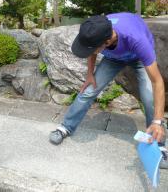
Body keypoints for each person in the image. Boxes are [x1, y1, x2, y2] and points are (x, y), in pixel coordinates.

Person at [49, 13, 168, 168]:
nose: (89, 50)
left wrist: (158, 121)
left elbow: (157, 81)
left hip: (137, 57)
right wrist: (90, 75)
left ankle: (159, 143)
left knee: (148, 98)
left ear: (107, 42)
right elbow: (91, 50)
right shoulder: (96, 30)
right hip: (113, 58)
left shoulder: (137, 39)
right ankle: (66, 127)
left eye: (93, 48)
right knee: (89, 91)